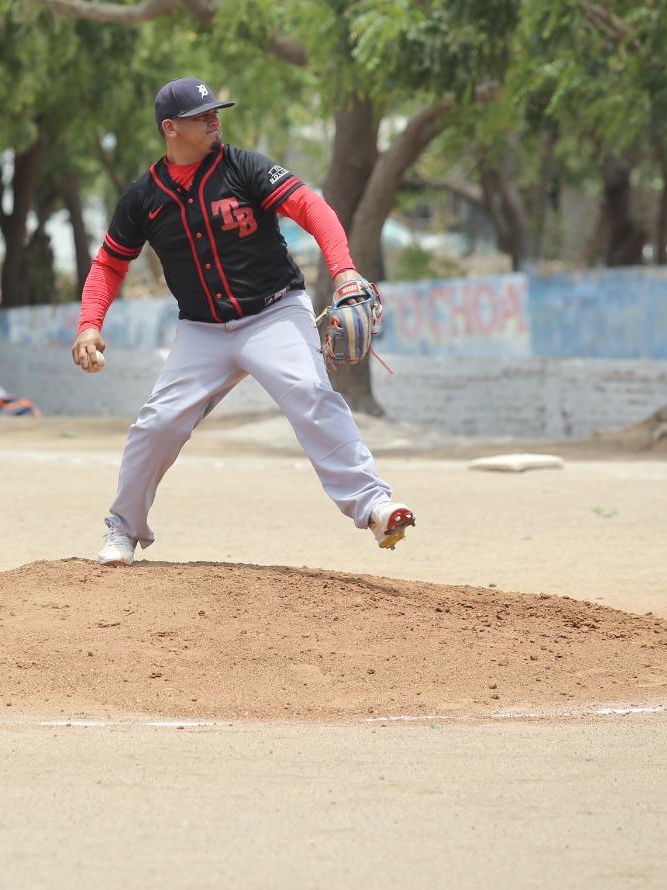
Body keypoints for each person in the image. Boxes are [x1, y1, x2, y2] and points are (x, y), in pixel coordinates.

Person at [71, 77, 415, 566]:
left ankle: (375, 506)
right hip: (202, 331)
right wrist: (89, 323)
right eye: (201, 115)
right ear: (170, 129)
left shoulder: (244, 167)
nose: (214, 118)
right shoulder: (143, 197)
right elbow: (109, 263)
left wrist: (344, 271)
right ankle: (123, 530)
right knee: (158, 424)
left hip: (273, 313)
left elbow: (311, 209)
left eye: (215, 111)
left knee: (310, 393)